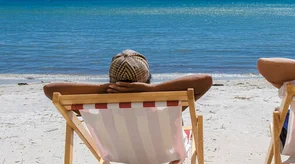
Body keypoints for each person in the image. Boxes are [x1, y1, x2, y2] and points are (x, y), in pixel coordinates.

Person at [43, 49, 213, 101]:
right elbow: (206, 80)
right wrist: (153, 89)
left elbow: (50, 89)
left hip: (119, 154)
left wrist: (104, 89)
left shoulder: (97, 104)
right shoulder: (163, 100)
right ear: (147, 75)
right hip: (165, 151)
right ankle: (176, 159)